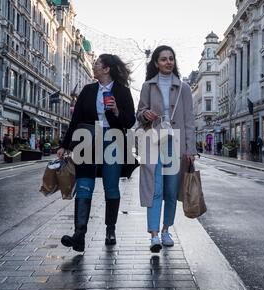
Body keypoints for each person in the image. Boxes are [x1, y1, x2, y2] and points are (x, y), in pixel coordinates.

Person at [57, 54, 136, 252]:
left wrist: (117, 111)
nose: (94, 66)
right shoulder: (88, 90)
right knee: (84, 186)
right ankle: (79, 235)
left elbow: (130, 122)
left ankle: (110, 230)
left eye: (97, 64)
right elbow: (75, 119)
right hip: (87, 138)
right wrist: (65, 145)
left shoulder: (122, 92)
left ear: (107, 69)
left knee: (111, 186)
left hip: (113, 139)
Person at [136, 45, 197, 253]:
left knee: (171, 190)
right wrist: (146, 115)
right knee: (155, 188)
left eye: (171, 58)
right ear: (156, 63)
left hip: (175, 142)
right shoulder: (147, 86)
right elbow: (139, 113)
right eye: (163, 59)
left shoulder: (184, 88)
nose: (168, 62)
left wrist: (190, 149)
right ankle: (153, 235)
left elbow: (189, 120)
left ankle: (165, 230)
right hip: (153, 140)